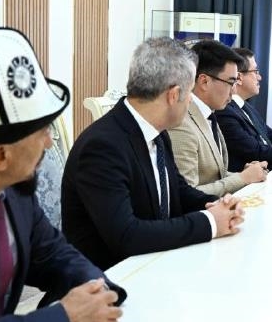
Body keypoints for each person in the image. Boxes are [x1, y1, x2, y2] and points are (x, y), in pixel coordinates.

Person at [0, 25, 125, 321]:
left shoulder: (14, 191)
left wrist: (100, 290)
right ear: (1, 155)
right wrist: (64, 316)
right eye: (42, 132)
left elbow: (53, 253)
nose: (50, 143)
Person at [62, 37, 245, 271]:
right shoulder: (102, 146)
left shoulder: (157, 132)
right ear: (173, 95)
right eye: (190, 91)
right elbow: (126, 235)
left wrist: (217, 205)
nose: (191, 99)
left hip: (154, 261)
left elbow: (179, 192)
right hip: (111, 278)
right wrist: (209, 222)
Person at [168, 39, 268, 195]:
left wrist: (246, 174)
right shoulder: (181, 124)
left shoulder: (209, 114)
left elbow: (216, 176)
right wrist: (243, 178)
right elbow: (186, 195)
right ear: (204, 82)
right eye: (231, 82)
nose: (234, 90)